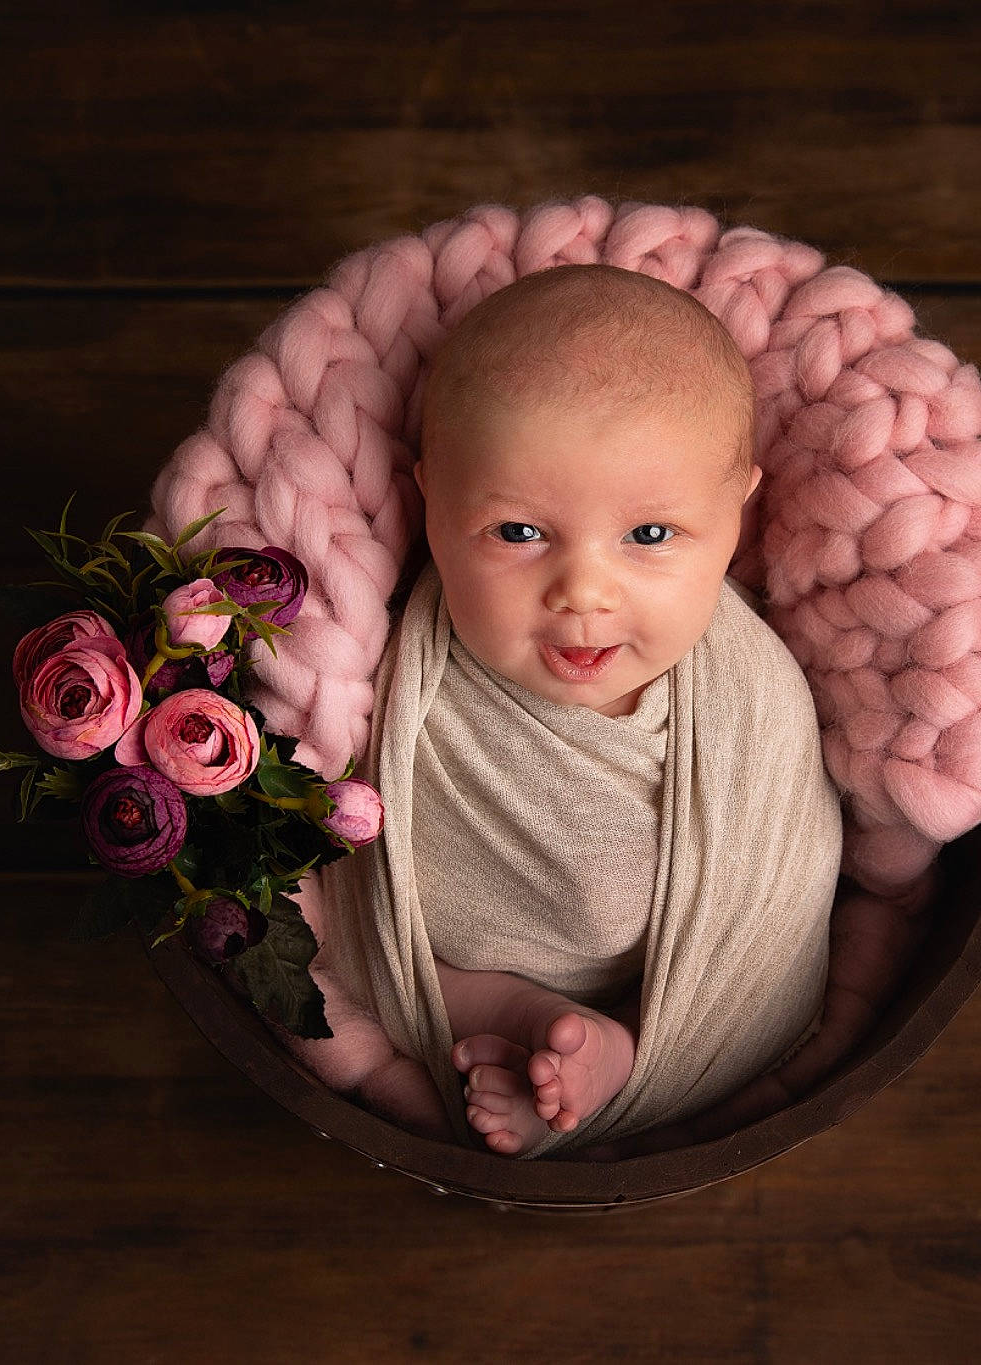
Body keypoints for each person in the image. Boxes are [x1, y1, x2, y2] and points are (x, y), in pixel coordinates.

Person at [330, 262, 843, 1156]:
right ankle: (541, 1028)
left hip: (692, 984)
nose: (582, 592)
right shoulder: (388, 672)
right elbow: (361, 885)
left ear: (736, 516)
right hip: (455, 973)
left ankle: (625, 1056)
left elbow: (784, 880)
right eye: (518, 532)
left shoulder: (751, 689)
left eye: (649, 535)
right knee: (383, 948)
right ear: (434, 506)